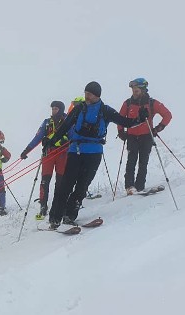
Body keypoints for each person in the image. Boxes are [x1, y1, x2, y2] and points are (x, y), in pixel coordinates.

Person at [45, 81, 147, 229]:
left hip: (93, 154)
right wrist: (51, 140)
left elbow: (125, 122)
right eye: (86, 93)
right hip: (75, 151)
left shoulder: (106, 111)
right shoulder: (79, 108)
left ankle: (69, 216)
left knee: (82, 187)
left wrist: (140, 119)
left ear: (97, 95)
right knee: (65, 185)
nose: (87, 96)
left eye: (90, 94)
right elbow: (65, 126)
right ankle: (55, 219)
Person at [117, 77, 172, 194]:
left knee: (143, 162)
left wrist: (158, 129)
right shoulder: (127, 104)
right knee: (131, 161)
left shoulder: (152, 103)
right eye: (133, 90)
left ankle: (140, 186)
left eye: (136, 90)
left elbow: (167, 115)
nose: (134, 93)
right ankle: (129, 187)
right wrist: (121, 131)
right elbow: (120, 118)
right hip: (131, 137)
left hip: (146, 137)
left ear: (143, 90)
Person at [19, 101, 68, 219]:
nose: (53, 111)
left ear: (61, 109)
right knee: (44, 181)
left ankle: (60, 205)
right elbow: (37, 138)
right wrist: (26, 150)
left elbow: (71, 135)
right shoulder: (47, 123)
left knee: (61, 182)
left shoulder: (68, 120)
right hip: (48, 154)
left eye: (56, 109)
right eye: (52, 109)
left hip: (62, 153)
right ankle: (43, 206)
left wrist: (58, 141)